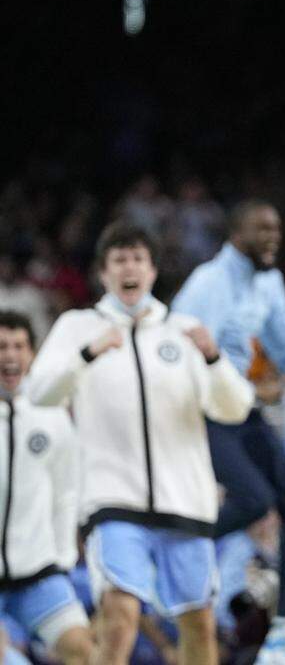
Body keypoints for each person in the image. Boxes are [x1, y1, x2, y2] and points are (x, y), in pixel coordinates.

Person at [26, 221, 254, 665]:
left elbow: (236, 407)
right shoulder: (78, 327)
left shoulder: (184, 331)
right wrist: (86, 356)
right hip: (112, 498)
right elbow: (39, 393)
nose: (129, 268)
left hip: (185, 500)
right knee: (119, 615)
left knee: (199, 624)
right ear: (104, 273)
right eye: (119, 260)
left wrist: (213, 358)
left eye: (137, 259)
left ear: (151, 271)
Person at [171, 199, 285, 665]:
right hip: (200, 409)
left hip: (241, 406)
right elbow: (170, 347)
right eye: (262, 229)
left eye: (277, 229)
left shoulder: (269, 281)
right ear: (235, 232)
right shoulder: (207, 283)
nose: (273, 237)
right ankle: (177, 541)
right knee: (253, 500)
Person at [0, 311, 93, 665]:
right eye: (2, 346)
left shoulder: (51, 415)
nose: (10, 355)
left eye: (18, 346)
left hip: (37, 572)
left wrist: (63, 557)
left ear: (32, 355)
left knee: (83, 651)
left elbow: (66, 490)